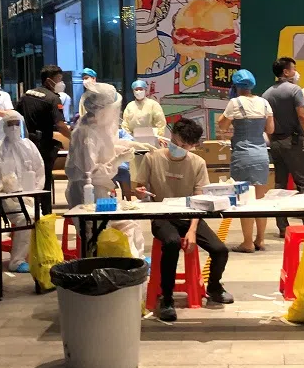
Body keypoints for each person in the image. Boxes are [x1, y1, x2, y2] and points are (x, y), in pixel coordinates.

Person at [135, 118, 233, 322]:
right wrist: (140, 191)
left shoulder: (198, 163)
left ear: (193, 146)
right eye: (176, 142)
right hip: (161, 216)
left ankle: (214, 287)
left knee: (220, 250)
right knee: (170, 243)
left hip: (190, 216)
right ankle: (167, 297)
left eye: (184, 146)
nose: (178, 148)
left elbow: (199, 200)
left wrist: (192, 230)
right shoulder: (152, 158)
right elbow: (139, 189)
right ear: (171, 137)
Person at [66, 81, 145, 258]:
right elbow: (90, 172)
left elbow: (108, 146)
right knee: (100, 233)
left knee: (129, 222)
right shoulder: (86, 134)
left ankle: (134, 262)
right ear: (103, 108)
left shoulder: (96, 126)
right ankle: (124, 266)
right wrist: (117, 160)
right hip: (87, 193)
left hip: (100, 191)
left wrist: (133, 144)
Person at [217, 69, 274, 253]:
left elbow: (223, 126)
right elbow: (270, 129)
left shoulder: (235, 102)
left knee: (245, 200)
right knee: (260, 199)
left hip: (242, 153)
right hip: (261, 154)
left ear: (235, 85)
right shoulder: (264, 103)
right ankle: (261, 240)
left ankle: (247, 242)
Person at [263, 57, 304, 235]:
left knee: (280, 184)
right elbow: (303, 116)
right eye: (293, 69)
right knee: (303, 183)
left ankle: (283, 227)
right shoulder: (295, 90)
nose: (295, 72)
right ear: (286, 72)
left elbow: (267, 122)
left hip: (276, 142)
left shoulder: (267, 94)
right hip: (294, 141)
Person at [0, 110, 45, 274]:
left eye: (16, 124)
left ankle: (34, 255)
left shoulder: (29, 146)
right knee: (26, 219)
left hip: (30, 197)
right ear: (4, 127)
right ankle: (16, 261)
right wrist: (12, 188)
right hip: (8, 199)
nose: (13, 128)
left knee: (37, 218)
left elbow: (40, 170)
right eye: (10, 124)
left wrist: (34, 190)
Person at [16, 65, 71, 215]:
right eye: (59, 79)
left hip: (26, 144)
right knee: (44, 181)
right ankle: (45, 216)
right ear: (49, 81)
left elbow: (16, 117)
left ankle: (28, 213)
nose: (61, 83)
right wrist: (75, 139)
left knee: (27, 180)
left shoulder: (27, 95)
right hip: (43, 146)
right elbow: (60, 125)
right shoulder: (53, 99)